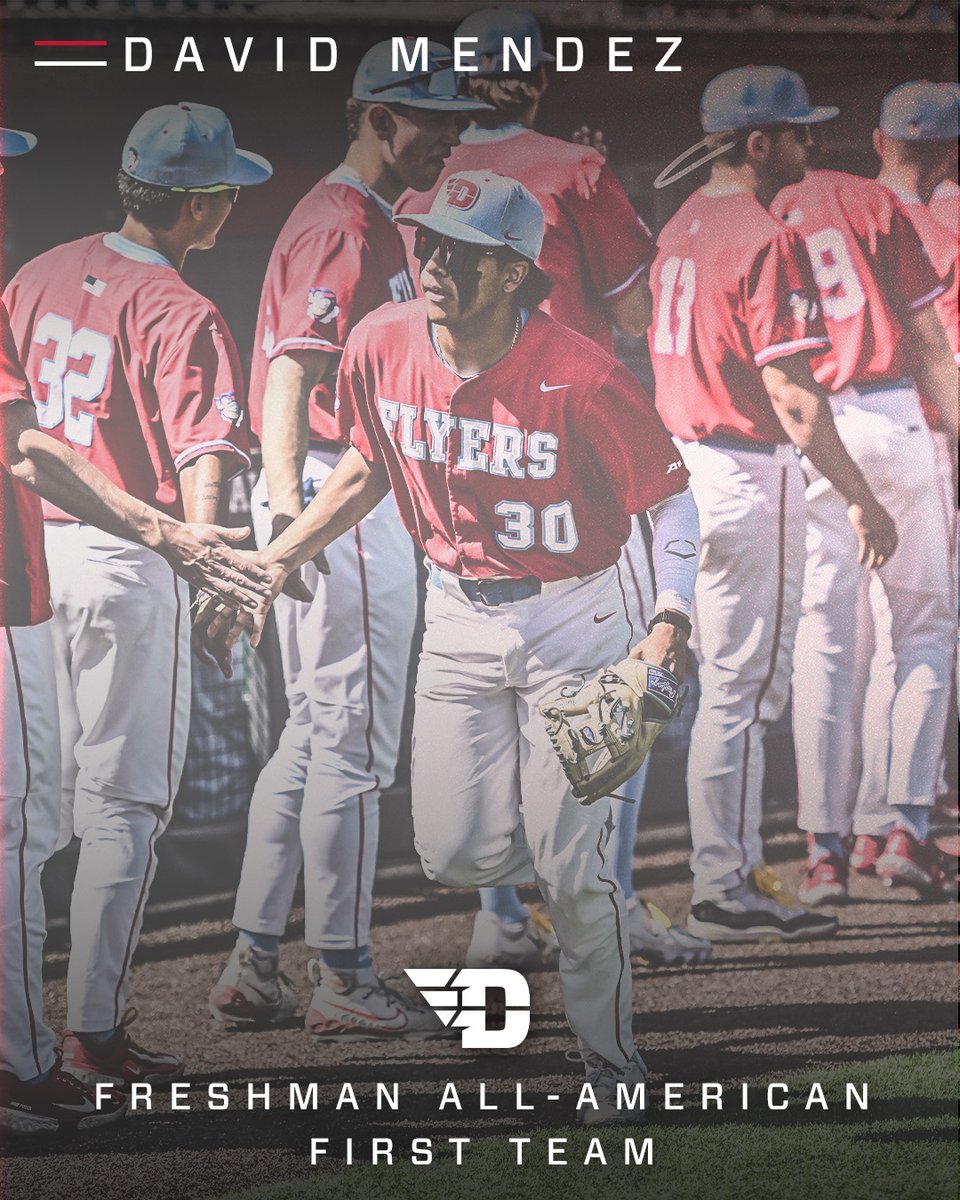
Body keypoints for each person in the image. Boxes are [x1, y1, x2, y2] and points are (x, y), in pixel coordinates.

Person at [198, 172, 702, 1120]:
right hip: (458, 615)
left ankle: (610, 1063)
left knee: (573, 868)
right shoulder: (381, 343)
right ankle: (548, 834)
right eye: (425, 242)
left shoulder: (584, 372)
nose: (431, 262)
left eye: (459, 250)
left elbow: (670, 498)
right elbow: (366, 466)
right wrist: (276, 557)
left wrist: (670, 617)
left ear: (514, 274)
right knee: (453, 853)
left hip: (574, 614)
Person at [395, 5, 708, 969]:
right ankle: (593, 897)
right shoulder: (575, 166)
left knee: (480, 696)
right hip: (568, 435)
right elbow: (632, 301)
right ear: (533, 77)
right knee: (608, 708)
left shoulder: (429, 174)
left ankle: (499, 912)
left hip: (456, 444)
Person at [208, 42, 489, 1040]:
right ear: (374, 117)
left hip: (327, 493)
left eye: (458, 120)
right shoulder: (343, 220)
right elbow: (290, 372)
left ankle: (253, 962)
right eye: (432, 120)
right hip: (335, 495)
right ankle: (343, 974)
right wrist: (288, 518)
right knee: (356, 748)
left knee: (312, 734)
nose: (450, 137)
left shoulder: (364, 215)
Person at [0, 124, 271, 1135]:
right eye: (226, 194)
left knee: (32, 816)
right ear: (195, 205)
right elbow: (206, 452)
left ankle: (48, 1036)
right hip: (125, 560)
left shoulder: (37, 271)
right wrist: (210, 568)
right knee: (121, 807)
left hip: (34, 558)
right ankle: (85, 1034)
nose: (232, 206)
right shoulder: (183, 305)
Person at [649, 66, 898, 942]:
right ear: (758, 143)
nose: (809, 143)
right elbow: (793, 395)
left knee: (714, 687)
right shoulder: (761, 233)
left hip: (686, 470)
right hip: (745, 469)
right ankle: (725, 887)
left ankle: (716, 878)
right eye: (797, 132)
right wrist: (863, 498)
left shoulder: (682, 222)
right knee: (743, 695)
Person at [775, 81, 958, 902]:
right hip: (893, 415)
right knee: (917, 630)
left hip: (809, 426)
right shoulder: (882, 208)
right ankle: (904, 830)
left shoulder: (778, 206)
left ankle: (823, 845)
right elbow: (928, 343)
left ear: (879, 140)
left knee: (826, 641)